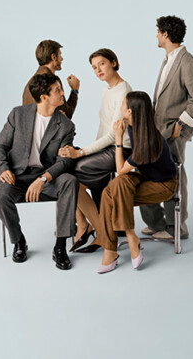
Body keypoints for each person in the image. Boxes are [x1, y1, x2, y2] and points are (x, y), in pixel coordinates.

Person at [0, 73, 79, 270]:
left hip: (48, 178)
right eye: (58, 90)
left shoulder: (66, 125)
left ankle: (60, 246)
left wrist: (43, 179)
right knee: (0, 195)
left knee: (69, 181)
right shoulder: (18, 114)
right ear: (44, 97)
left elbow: (65, 161)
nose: (63, 93)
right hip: (17, 176)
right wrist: (3, 169)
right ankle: (19, 241)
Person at [91, 91, 179, 274]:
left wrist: (118, 137)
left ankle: (112, 250)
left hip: (164, 185)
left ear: (130, 111)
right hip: (146, 177)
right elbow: (123, 173)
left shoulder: (147, 141)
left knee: (110, 194)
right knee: (115, 187)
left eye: (123, 104)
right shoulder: (134, 127)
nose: (120, 107)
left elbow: (120, 168)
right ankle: (127, 239)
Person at [57, 49, 132, 252]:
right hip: (107, 147)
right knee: (77, 174)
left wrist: (82, 153)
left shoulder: (123, 91)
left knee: (73, 174)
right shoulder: (107, 89)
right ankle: (99, 228)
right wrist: (91, 151)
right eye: (94, 67)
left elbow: (112, 135)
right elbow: (103, 128)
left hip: (122, 148)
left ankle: (92, 229)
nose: (98, 69)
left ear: (113, 63)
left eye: (102, 64)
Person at [139, 15, 193, 241]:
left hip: (172, 132)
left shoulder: (187, 62)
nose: (156, 36)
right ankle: (157, 223)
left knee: (174, 176)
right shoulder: (168, 59)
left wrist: (180, 125)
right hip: (158, 130)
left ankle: (177, 227)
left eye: (158, 32)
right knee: (148, 171)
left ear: (165, 34)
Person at [23, 39, 81, 119]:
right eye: (60, 55)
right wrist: (74, 90)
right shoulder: (52, 81)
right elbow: (66, 116)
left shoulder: (30, 83)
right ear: (54, 57)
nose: (62, 58)